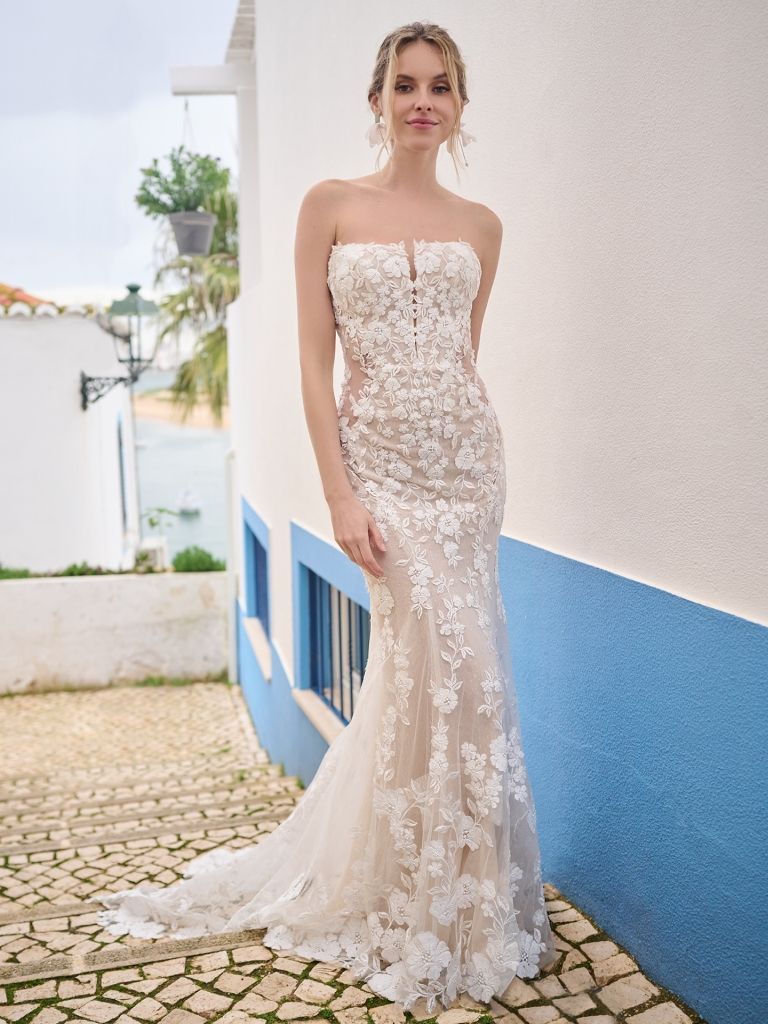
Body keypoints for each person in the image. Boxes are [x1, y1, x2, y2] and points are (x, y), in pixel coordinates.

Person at [95, 21, 558, 1013]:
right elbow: (315, 364)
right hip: (381, 475)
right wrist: (340, 493)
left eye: (440, 85)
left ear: (461, 105)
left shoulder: (484, 227)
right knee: (429, 661)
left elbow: (460, 357)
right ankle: (403, 890)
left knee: (469, 682)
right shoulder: (330, 206)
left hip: (470, 474)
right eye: (405, 84)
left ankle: (471, 900)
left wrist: (455, 447)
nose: (422, 99)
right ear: (379, 100)